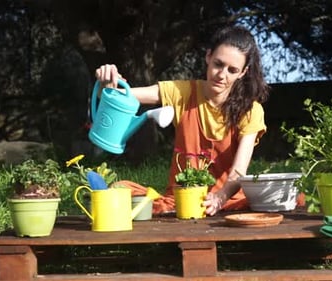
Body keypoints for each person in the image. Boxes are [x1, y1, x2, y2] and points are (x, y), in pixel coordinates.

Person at [95, 25, 269, 216]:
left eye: (232, 70)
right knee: (119, 187)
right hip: (180, 201)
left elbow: (239, 171)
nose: (222, 75)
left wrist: (220, 197)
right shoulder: (183, 92)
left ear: (243, 72)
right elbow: (122, 95)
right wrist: (108, 83)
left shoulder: (251, 111)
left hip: (228, 202)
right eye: (218, 64)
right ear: (208, 56)